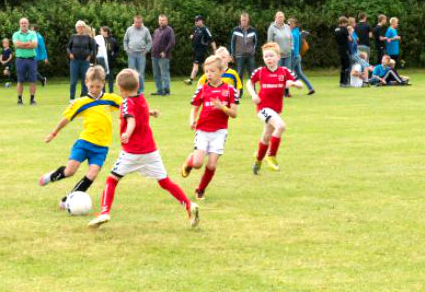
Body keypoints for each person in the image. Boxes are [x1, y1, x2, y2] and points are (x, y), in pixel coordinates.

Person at [88, 68, 200, 229]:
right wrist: (150, 112)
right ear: (138, 85)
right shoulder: (141, 98)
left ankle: (105, 211)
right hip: (150, 152)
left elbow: (131, 119)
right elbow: (139, 111)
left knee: (112, 180)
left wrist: (127, 132)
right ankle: (189, 205)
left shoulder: (126, 102)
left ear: (120, 89)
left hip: (132, 152)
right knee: (165, 182)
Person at [40, 66, 122, 209]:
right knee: (69, 172)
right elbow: (66, 118)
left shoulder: (111, 99)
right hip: (84, 143)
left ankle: (68, 199)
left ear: (103, 83)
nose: (95, 89)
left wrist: (148, 112)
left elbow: (129, 107)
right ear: (86, 83)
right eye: (91, 86)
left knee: (93, 174)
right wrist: (53, 133)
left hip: (102, 147)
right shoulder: (81, 102)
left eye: (98, 86)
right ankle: (51, 177)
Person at [180, 55, 238, 200]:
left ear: (220, 72)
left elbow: (234, 114)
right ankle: (190, 161)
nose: (208, 74)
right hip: (203, 130)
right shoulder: (202, 89)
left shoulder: (230, 90)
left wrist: (222, 107)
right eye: (206, 71)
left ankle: (200, 189)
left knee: (211, 165)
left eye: (212, 71)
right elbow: (194, 108)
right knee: (198, 164)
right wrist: (192, 120)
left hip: (219, 132)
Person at [246, 42, 304, 174]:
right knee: (281, 126)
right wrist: (253, 94)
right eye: (266, 56)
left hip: (275, 109)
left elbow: (300, 84)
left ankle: (258, 161)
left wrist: (294, 84)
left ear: (278, 57)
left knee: (266, 137)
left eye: (271, 56)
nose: (269, 59)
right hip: (263, 109)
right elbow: (250, 82)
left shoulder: (284, 72)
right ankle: (271, 156)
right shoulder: (260, 72)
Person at [67, 20, 96, 101]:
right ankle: (72, 98)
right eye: (78, 27)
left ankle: (84, 97)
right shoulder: (73, 37)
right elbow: (68, 47)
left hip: (85, 61)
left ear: (84, 28)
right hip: (74, 61)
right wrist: (70, 54)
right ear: (76, 28)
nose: (80, 28)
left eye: (81, 27)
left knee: (85, 80)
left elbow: (92, 49)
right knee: (73, 80)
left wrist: (90, 55)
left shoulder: (88, 37)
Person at [12, 17, 38, 105]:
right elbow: (16, 45)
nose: (23, 24)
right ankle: (19, 99)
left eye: (25, 23)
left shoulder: (33, 33)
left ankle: (32, 99)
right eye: (22, 23)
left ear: (28, 24)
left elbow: (34, 45)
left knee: (33, 80)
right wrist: (28, 43)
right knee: (20, 80)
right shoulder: (16, 34)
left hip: (31, 59)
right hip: (20, 59)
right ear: (19, 24)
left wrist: (21, 44)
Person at [124, 15, 152, 94]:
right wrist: (126, 50)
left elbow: (150, 41)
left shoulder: (145, 30)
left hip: (141, 54)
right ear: (134, 22)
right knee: (132, 73)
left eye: (139, 22)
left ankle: (141, 91)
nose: (137, 24)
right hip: (131, 53)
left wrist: (146, 50)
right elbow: (125, 40)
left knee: (141, 73)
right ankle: (133, 90)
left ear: (141, 22)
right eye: (136, 22)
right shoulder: (129, 29)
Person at [184, 15, 215, 85]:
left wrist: (215, 50)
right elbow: (194, 36)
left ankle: (191, 80)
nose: (195, 22)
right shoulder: (196, 29)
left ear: (201, 21)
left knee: (196, 65)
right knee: (204, 66)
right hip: (196, 50)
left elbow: (211, 39)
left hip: (201, 51)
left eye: (197, 21)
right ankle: (210, 79)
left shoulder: (205, 29)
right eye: (195, 21)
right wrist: (192, 37)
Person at [151, 14, 176, 96]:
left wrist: (165, 51)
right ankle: (159, 90)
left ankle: (166, 90)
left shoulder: (169, 30)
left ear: (166, 21)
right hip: (154, 55)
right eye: (160, 20)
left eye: (163, 20)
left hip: (164, 56)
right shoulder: (156, 30)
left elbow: (172, 42)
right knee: (156, 74)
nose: (161, 22)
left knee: (164, 73)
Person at [289, 18, 315, 95]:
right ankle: (310, 88)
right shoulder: (297, 32)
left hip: (293, 56)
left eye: (290, 23)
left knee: (287, 73)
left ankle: (287, 92)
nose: (288, 25)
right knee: (300, 74)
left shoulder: (293, 34)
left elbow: (292, 47)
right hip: (298, 56)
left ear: (294, 24)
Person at [231, 12, 258, 84]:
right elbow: (232, 43)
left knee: (252, 74)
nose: (243, 22)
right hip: (239, 55)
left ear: (248, 20)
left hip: (250, 55)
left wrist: (253, 50)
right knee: (239, 74)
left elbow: (255, 42)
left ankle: (253, 92)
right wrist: (232, 54)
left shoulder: (253, 30)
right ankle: (239, 92)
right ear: (240, 20)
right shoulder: (235, 30)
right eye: (242, 20)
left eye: (245, 20)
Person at [101, 26, 119, 93]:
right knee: (102, 77)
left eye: (101, 31)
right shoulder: (100, 40)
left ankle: (111, 91)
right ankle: (103, 92)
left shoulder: (113, 40)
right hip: (102, 61)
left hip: (110, 62)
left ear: (106, 31)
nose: (100, 32)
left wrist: (114, 55)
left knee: (110, 78)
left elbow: (117, 49)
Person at [334, 17, 351, 87]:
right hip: (345, 49)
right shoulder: (344, 29)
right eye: (346, 23)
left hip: (339, 49)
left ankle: (341, 82)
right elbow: (349, 39)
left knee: (343, 65)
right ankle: (345, 82)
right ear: (343, 23)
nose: (346, 25)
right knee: (347, 65)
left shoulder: (336, 29)